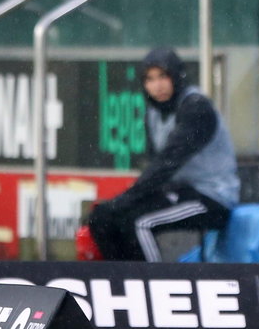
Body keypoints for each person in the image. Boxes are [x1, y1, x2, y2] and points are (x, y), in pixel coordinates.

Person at [88, 47, 240, 262]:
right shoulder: (153, 112)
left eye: (163, 76)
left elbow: (168, 161)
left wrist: (128, 197)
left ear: (177, 77)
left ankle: (149, 283)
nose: (157, 86)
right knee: (103, 217)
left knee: (139, 222)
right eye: (149, 79)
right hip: (179, 192)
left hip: (211, 198)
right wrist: (120, 204)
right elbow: (156, 163)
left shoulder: (196, 109)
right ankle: (119, 279)